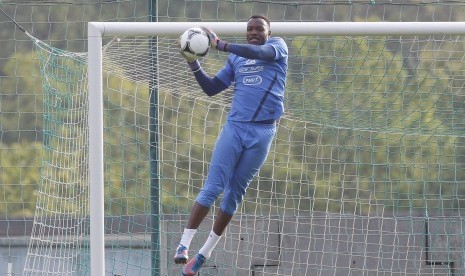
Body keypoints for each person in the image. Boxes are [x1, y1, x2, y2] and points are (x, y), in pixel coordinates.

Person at [174, 14, 288, 276]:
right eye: (249, 29)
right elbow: (213, 88)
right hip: (235, 129)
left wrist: (221, 44)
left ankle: (204, 254)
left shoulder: (278, 48)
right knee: (213, 187)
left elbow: (261, 53)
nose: (253, 32)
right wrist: (193, 64)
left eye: (259, 29)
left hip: (262, 133)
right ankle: (184, 245)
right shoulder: (237, 59)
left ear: (268, 33)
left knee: (234, 193)